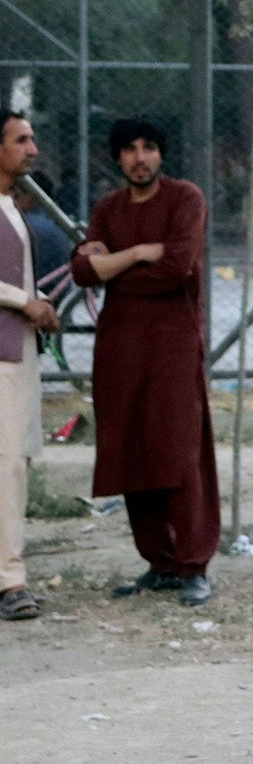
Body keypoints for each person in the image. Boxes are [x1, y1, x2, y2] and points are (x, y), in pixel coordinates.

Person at [70, 116, 218, 606]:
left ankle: (193, 564)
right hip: (120, 346)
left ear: (161, 154)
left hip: (173, 343)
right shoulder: (108, 208)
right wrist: (136, 252)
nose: (140, 157)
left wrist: (112, 266)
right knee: (131, 450)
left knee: (178, 452)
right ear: (117, 158)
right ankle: (159, 562)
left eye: (149, 147)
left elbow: (176, 268)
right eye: (130, 149)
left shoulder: (185, 199)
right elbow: (81, 270)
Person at [0, 113, 59, 621]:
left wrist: (37, 302)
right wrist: (26, 300)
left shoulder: (12, 207)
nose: (32, 150)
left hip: (16, 355)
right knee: (6, 466)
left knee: (13, 463)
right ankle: (10, 581)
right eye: (21, 141)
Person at [12, 182, 72, 283]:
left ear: (31, 198)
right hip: (58, 289)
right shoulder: (59, 226)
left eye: (16, 195)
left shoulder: (23, 223)